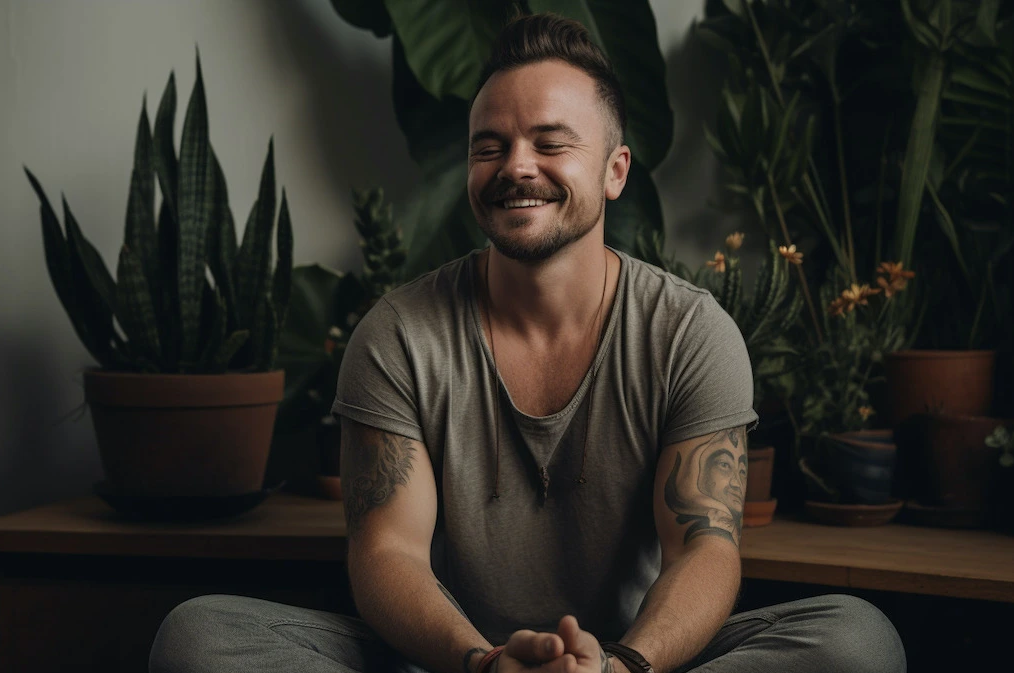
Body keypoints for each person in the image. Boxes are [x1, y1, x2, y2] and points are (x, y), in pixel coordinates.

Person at [149, 13, 906, 673]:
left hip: (635, 656)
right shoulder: (399, 334)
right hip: (449, 658)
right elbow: (388, 553)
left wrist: (621, 665)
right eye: (490, 146)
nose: (516, 166)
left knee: (856, 641)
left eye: (550, 143)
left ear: (614, 171)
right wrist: (482, 661)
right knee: (199, 636)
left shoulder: (688, 331)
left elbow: (705, 549)